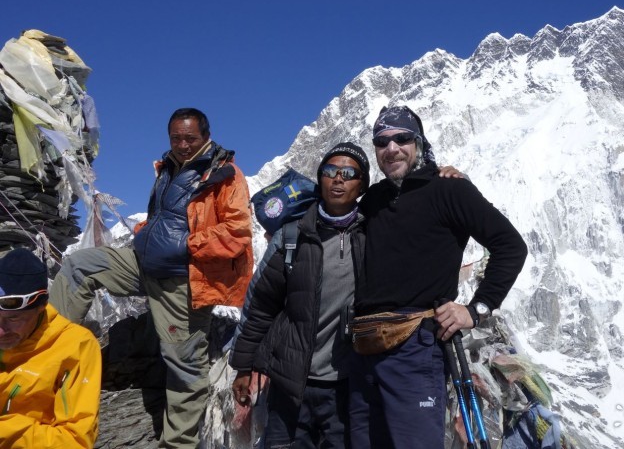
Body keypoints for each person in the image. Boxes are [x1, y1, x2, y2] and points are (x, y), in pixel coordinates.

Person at [51, 107, 253, 449]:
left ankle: (179, 444)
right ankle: (48, 353)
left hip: (184, 279)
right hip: (141, 262)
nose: (183, 145)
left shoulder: (225, 175)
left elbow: (237, 233)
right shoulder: (167, 169)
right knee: (79, 266)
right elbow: (162, 216)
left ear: (206, 135)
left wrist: (185, 245)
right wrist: (147, 234)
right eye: (176, 138)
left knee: (185, 364)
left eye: (190, 138)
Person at [349, 105, 529, 449]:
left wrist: (475, 310)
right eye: (382, 142)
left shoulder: (449, 189)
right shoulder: (373, 200)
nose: (392, 149)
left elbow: (510, 246)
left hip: (417, 345)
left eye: (402, 138)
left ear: (418, 142)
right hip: (363, 348)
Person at [230, 142, 370, 449]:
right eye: (330, 171)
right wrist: (244, 366)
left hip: (348, 386)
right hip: (291, 385)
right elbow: (261, 307)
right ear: (320, 179)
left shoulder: (372, 235)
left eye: (349, 173)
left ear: (362, 185)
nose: (338, 179)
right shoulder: (291, 236)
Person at [0, 247, 102, 448]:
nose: (0, 332)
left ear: (40, 308)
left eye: (13, 318)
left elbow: (75, 441)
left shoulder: (75, 346)